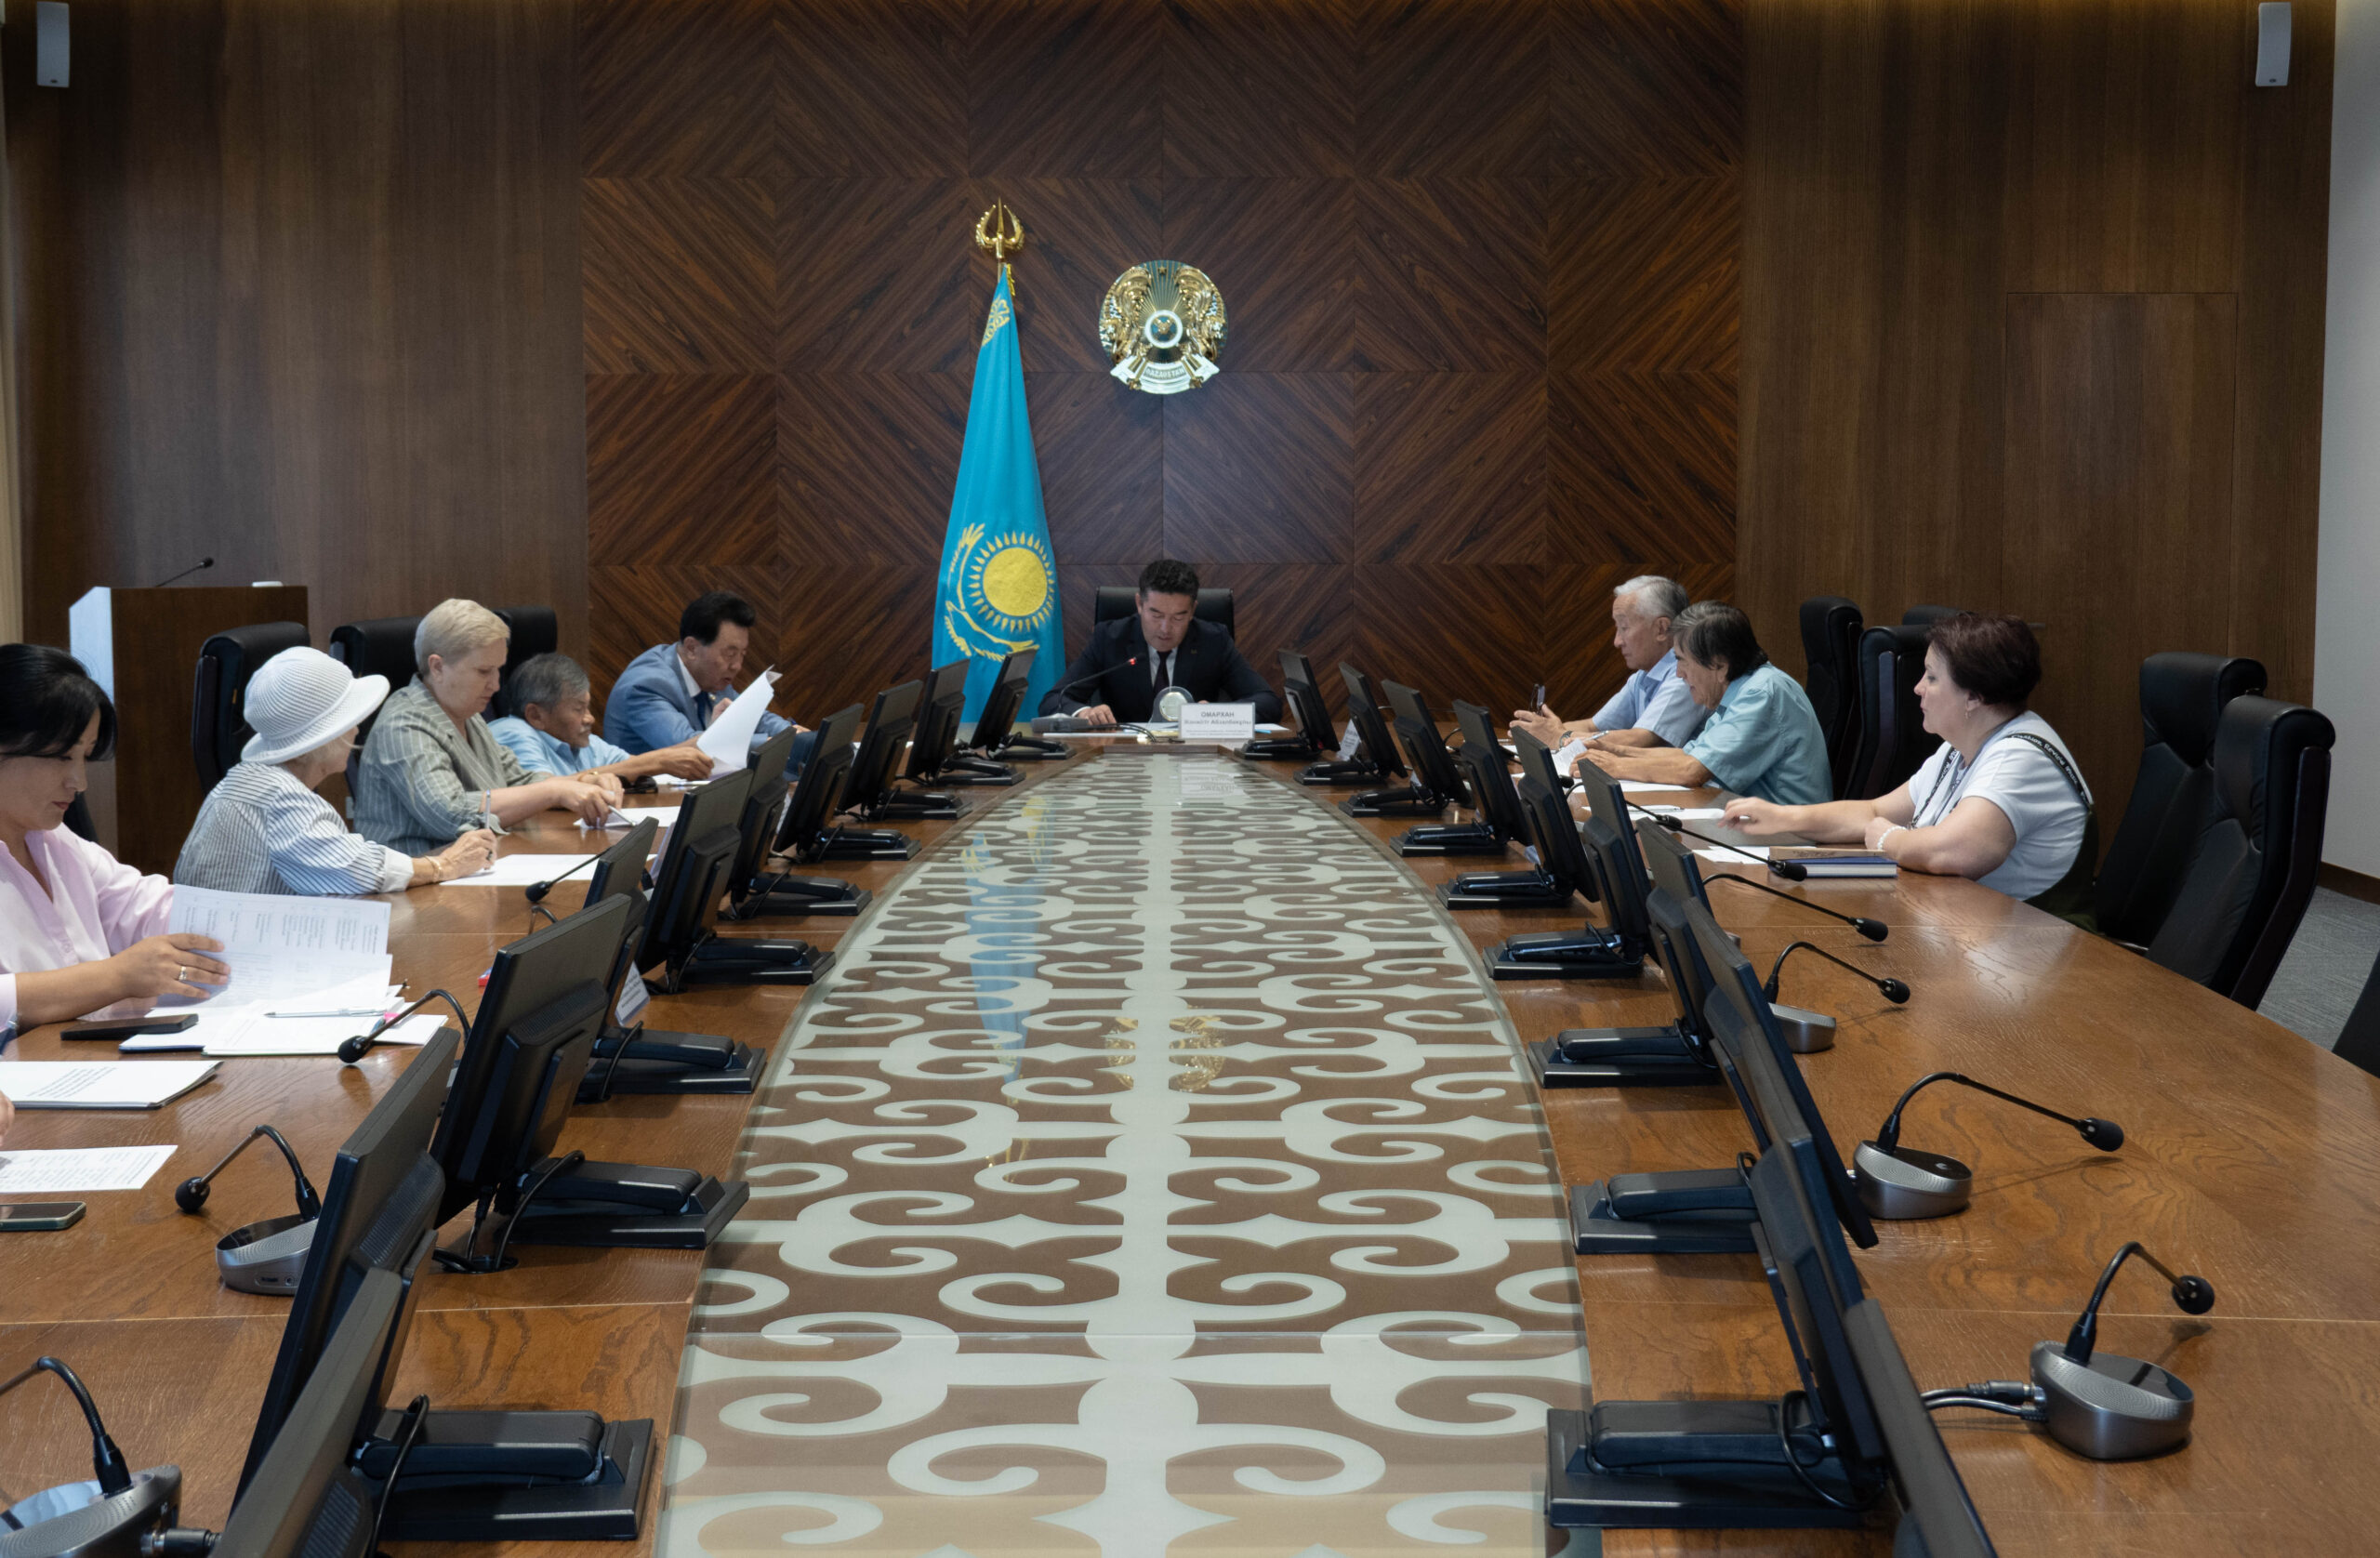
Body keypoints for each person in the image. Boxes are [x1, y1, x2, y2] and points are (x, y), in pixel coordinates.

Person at [1719, 613, 2093, 911]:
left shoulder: (2020, 757)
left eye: (1932, 677)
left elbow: (1950, 852)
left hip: (2036, 947)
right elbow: (1874, 810)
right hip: (1969, 927)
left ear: (1974, 696)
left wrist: (1887, 838)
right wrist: (1782, 817)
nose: (1918, 688)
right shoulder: (1960, 747)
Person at [0, 644, 231, 1061]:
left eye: (84, 757)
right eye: (61, 757)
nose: (78, 781)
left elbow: (149, 907)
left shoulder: (56, 842)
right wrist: (116, 976)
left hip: (87, 1066)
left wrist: (274, 928)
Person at [177, 648, 497, 894]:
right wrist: (445, 865)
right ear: (324, 737)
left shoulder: (243, 781)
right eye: (349, 719)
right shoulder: (280, 796)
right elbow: (358, 869)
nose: (356, 729)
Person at [353, 599, 615, 855]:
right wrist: (554, 791)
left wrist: (583, 784)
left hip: (479, 865)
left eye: (498, 670)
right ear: (438, 667)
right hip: (422, 875)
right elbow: (450, 814)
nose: (496, 685)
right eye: (483, 671)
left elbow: (519, 780)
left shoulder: (467, 714)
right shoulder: (404, 726)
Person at [1579, 601, 1831, 806]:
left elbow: (1692, 771)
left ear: (1719, 665)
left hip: (1788, 838)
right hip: (1754, 824)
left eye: (1682, 661)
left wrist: (1614, 766)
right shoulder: (1740, 687)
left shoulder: (1761, 694)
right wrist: (1614, 750)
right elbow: (1689, 755)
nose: (1679, 673)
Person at [1039, 559, 1280, 728]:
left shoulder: (1214, 640)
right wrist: (1085, 712)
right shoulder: (1110, 638)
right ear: (1139, 604)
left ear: (1193, 610)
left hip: (1194, 761)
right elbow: (1053, 701)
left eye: (1178, 617)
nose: (1165, 628)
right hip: (1126, 760)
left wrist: (1216, 715)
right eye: (1156, 615)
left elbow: (1268, 702)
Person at [603, 590, 812, 768]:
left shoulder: (711, 676)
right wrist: (774, 743)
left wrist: (791, 734)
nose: (737, 666)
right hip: (644, 797)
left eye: (742, 654)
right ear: (692, 648)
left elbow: (752, 715)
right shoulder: (646, 686)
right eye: (730, 654)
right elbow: (690, 749)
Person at [1511, 574, 1706, 750]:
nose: (1617, 642)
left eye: (1624, 627)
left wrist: (1561, 737)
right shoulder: (1642, 676)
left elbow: (1643, 739)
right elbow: (1592, 726)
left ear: (1661, 629)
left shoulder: (1686, 675)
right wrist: (1539, 730)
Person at [490, 654, 713, 783]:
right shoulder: (514, 732)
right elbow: (544, 790)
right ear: (536, 715)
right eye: (579, 709)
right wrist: (660, 761)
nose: (590, 719)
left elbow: (633, 766)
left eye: (587, 707)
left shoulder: (585, 743)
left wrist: (708, 740)